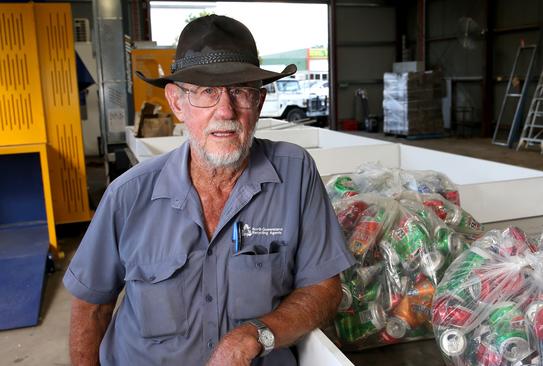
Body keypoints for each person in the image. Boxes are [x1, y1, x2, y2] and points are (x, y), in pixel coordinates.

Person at [64, 15, 354, 366]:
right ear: (177, 103)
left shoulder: (295, 174)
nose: (225, 111)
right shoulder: (128, 196)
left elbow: (325, 288)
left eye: (240, 92)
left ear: (259, 103)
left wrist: (258, 333)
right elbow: (90, 308)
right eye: (207, 92)